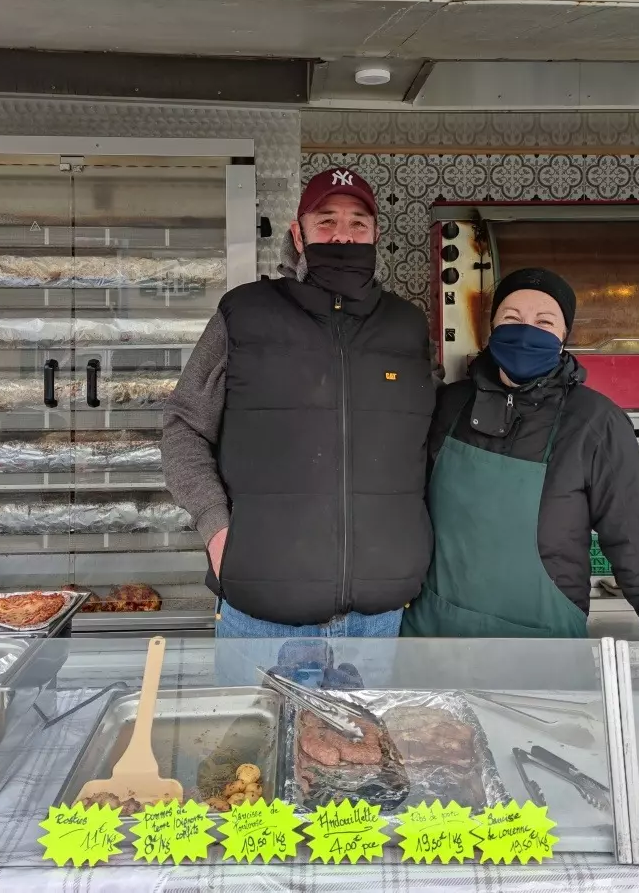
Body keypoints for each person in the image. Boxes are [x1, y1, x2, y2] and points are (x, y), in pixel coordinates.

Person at [162, 167, 435, 643]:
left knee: (367, 724)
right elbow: (185, 427)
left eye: (357, 224)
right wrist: (216, 527)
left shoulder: (406, 328)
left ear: (375, 235)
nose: (343, 238)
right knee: (257, 723)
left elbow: (422, 446)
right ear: (298, 233)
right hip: (260, 613)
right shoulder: (243, 314)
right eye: (326, 222)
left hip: (378, 618)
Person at [402, 267, 639, 641]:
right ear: (491, 328)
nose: (526, 330)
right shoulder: (448, 406)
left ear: (564, 337)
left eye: (544, 321)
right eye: (511, 318)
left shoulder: (595, 423)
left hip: (542, 649)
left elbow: (635, 549)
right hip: (434, 641)